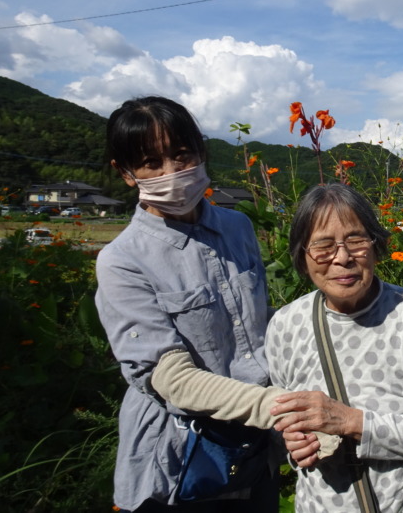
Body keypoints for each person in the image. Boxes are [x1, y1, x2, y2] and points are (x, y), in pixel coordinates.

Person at [95, 96, 292, 512]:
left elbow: (258, 327)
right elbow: (172, 379)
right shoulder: (122, 260)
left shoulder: (238, 228)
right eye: (151, 163)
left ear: (201, 151)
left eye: (182, 155)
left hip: (256, 446)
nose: (172, 173)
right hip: (183, 457)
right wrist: (284, 410)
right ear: (127, 173)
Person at [265, 183, 403, 512]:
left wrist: (352, 422)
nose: (342, 258)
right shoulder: (285, 325)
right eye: (323, 246)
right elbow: (280, 422)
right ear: (303, 255)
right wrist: (291, 445)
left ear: (375, 245)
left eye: (355, 240)